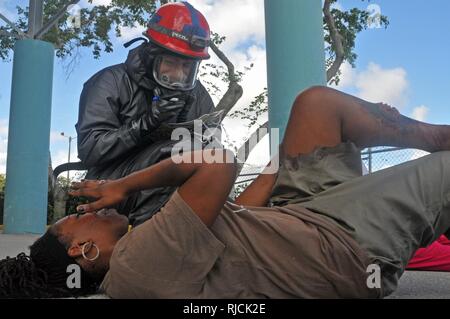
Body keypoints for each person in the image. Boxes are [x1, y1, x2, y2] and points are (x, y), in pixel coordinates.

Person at [3, 85, 450, 298]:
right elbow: (219, 163)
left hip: (301, 217)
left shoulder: (145, 252)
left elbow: (238, 213)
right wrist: (122, 184)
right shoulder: (137, 265)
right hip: (340, 245)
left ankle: (431, 135)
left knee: (316, 105)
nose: (90, 209)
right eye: (78, 217)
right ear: (84, 250)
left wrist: (286, 161)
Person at [75, 2, 218, 226]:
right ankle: (145, 241)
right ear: (151, 54)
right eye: (170, 63)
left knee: (216, 160)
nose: (178, 74)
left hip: (173, 182)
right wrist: (146, 124)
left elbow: (212, 151)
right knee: (180, 152)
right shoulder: (109, 82)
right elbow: (90, 149)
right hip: (108, 185)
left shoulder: (198, 95)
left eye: (187, 66)